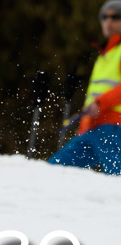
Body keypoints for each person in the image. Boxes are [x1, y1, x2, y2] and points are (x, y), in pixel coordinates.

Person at [48, 0, 121, 175]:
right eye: (104, 17)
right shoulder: (106, 55)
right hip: (93, 128)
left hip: (114, 127)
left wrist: (100, 103)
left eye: (115, 17)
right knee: (51, 171)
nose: (108, 22)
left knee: (116, 179)